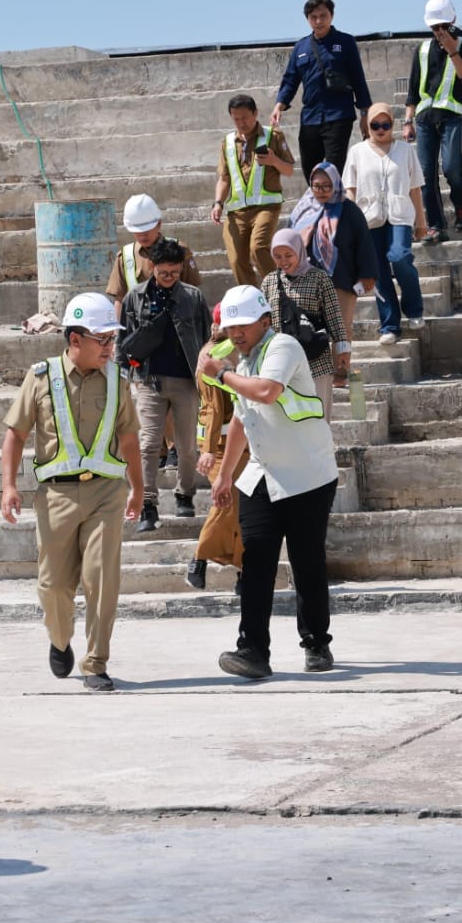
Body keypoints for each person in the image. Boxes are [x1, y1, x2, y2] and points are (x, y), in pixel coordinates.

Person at [1, 291, 147, 692]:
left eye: (112, 339)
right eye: (102, 339)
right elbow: (15, 433)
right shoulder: (41, 377)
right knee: (53, 586)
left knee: (102, 578)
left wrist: (138, 488)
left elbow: (130, 439)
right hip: (56, 498)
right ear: (76, 340)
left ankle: (95, 662)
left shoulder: (118, 379)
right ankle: (60, 639)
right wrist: (9, 486)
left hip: (107, 494)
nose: (109, 347)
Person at [197, 285, 340, 680]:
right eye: (230, 328)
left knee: (306, 559)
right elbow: (242, 417)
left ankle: (316, 644)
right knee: (255, 560)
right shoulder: (242, 361)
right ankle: (253, 652)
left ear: (265, 321)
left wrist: (220, 372)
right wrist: (226, 474)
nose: (236, 334)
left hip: (308, 473)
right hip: (263, 472)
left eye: (244, 326)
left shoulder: (284, 347)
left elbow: (266, 391)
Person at [120, 237, 212, 531]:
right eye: (163, 273)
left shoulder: (193, 297)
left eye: (175, 272)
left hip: (186, 380)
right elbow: (125, 342)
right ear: (152, 267)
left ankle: (184, 494)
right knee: (147, 444)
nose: (169, 278)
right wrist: (129, 375)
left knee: (186, 446)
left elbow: (207, 337)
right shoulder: (135, 297)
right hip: (149, 380)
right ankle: (148, 503)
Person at [344, 101, 429, 343]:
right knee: (378, 271)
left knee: (400, 256)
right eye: (375, 125)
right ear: (367, 125)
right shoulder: (357, 151)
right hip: (369, 219)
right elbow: (350, 189)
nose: (381, 129)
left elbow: (415, 188)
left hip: (400, 215)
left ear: (393, 124)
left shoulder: (405, 150)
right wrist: (352, 224)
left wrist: (421, 222)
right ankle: (389, 325)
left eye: (386, 124)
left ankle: (414, 309)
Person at [270, 0, 373, 174]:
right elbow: (290, 79)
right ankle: (317, 202)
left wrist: (365, 113)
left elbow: (358, 78)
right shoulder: (301, 48)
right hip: (311, 117)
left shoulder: (345, 42)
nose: (318, 21)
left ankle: (334, 201)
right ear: (308, 19)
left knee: (334, 169)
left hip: (339, 115)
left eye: (323, 15)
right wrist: (279, 105)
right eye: (313, 17)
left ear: (331, 16)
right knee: (310, 169)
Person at [405, 0, 462, 244]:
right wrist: (408, 121)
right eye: (434, 27)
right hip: (425, 119)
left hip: (453, 117)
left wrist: (452, 51)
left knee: (451, 168)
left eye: (443, 26)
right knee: (425, 175)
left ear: (453, 21)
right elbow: (413, 89)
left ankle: (461, 205)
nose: (439, 31)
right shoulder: (423, 49)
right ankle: (436, 226)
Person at [186, 304, 247, 592]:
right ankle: (199, 558)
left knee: (243, 510)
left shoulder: (233, 349)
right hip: (221, 444)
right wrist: (208, 450)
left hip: (244, 443)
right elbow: (212, 409)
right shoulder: (213, 355)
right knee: (226, 503)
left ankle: (243, 571)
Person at [260, 228, 350, 422]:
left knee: (318, 416)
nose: (283, 261)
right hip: (282, 361)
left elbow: (334, 316)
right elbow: (263, 321)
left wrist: (343, 349)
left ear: (299, 251)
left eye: (288, 255)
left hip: (315, 360)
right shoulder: (269, 282)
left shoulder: (319, 278)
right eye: (277, 256)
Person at [212, 95, 297, 287]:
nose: (241, 123)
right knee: (236, 260)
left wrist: (274, 161)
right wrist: (218, 203)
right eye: (236, 119)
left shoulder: (272, 136)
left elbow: (289, 170)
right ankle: (252, 299)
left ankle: (280, 290)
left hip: (266, 208)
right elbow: (224, 178)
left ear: (255, 114)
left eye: (245, 117)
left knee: (258, 248)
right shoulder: (227, 143)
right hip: (237, 212)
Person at [287, 163, 378, 345]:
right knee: (309, 332)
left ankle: (341, 371)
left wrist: (367, 275)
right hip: (307, 281)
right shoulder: (301, 210)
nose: (321, 191)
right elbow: (287, 242)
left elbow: (364, 244)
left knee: (341, 331)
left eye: (327, 186)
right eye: (317, 186)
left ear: (336, 183)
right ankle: (319, 373)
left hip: (341, 281)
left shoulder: (349, 211)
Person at [106, 193, 201, 303]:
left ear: (159, 224)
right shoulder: (125, 257)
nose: (142, 235)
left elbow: (193, 291)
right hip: (140, 318)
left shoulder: (180, 250)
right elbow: (120, 299)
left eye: (146, 230)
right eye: (137, 231)